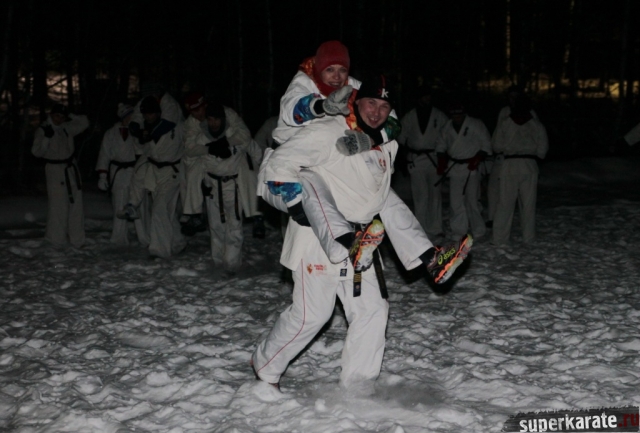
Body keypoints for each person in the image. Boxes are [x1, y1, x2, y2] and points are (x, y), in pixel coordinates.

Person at [252, 75, 473, 392]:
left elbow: (379, 196)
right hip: (316, 238)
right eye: (371, 103)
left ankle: (358, 386)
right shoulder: (328, 130)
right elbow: (280, 164)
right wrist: (295, 204)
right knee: (312, 315)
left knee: (373, 311)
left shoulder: (386, 144)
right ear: (356, 102)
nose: (376, 112)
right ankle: (266, 368)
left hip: (365, 240)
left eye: (384, 106)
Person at [272, 40, 400, 147]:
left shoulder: (352, 86)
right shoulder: (303, 82)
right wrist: (322, 106)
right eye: (330, 70)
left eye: (342, 70)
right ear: (319, 69)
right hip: (287, 153)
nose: (337, 77)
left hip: (323, 154)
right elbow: (291, 111)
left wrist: (372, 140)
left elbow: (393, 120)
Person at [118, 96, 186, 258]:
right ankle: (177, 241)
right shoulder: (144, 129)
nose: (149, 117)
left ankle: (159, 251)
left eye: (152, 113)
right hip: (155, 171)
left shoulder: (176, 124)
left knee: (159, 209)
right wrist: (137, 130)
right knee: (164, 210)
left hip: (172, 172)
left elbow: (173, 119)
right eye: (146, 114)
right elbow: (143, 156)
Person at [491, 95, 548, 245]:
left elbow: (496, 146)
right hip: (529, 165)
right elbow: (542, 151)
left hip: (510, 165)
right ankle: (528, 237)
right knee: (528, 204)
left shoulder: (505, 123)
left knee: (504, 203)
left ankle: (499, 238)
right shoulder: (537, 125)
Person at [31, 103, 89, 248]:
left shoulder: (66, 128)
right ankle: (56, 240)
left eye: (62, 117)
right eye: (57, 116)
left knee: (76, 205)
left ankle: (77, 239)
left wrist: (71, 115)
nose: (59, 119)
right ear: (51, 115)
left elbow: (84, 123)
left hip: (70, 168)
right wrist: (46, 138)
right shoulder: (43, 130)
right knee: (58, 206)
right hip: (55, 170)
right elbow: (36, 152)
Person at [397, 86, 449, 238]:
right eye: (424, 97)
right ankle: (421, 227)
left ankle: (436, 227)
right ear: (419, 99)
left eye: (429, 97)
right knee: (420, 195)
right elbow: (401, 138)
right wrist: (402, 159)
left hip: (434, 158)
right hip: (416, 159)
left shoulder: (439, 116)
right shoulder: (410, 116)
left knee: (435, 195)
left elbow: (447, 136)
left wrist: (443, 159)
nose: (427, 99)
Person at [95, 103, 150, 246]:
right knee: (119, 204)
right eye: (128, 116)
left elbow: (146, 150)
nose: (131, 119)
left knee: (139, 204)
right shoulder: (111, 134)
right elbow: (104, 154)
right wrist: (102, 175)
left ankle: (145, 237)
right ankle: (119, 238)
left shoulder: (139, 131)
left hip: (136, 170)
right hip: (118, 171)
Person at [436, 103, 491, 241]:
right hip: (455, 167)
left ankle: (478, 230)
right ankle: (459, 230)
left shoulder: (476, 124)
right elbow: (441, 145)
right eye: (454, 115)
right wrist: (441, 160)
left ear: (464, 114)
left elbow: (486, 144)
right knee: (456, 202)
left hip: (472, 167)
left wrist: (477, 158)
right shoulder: (447, 127)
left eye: (459, 115)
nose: (457, 118)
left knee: (472, 201)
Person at [486, 85, 538, 228]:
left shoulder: (530, 114)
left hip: (521, 158)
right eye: (511, 97)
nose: (513, 99)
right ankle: (493, 218)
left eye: (516, 97)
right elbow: (498, 135)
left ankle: (524, 224)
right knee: (494, 189)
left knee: (524, 195)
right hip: (503, 157)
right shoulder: (504, 112)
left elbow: (537, 136)